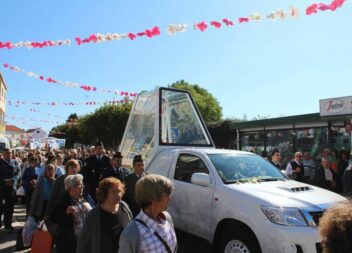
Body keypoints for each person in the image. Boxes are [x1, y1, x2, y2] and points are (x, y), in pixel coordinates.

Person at [119, 174, 177, 253]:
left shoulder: (166, 218)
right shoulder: (132, 233)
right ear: (154, 199)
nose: (170, 199)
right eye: (166, 195)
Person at [77, 177, 132, 253]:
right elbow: (83, 244)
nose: (118, 195)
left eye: (119, 191)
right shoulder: (93, 215)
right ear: (104, 194)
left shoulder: (124, 207)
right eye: (113, 192)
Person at [50, 174, 92, 253]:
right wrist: (65, 212)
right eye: (80, 184)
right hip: (70, 242)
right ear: (72, 187)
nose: (83, 186)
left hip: (86, 239)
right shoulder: (63, 201)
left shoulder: (86, 197)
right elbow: (54, 218)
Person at [0, 148, 20, 231]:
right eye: (7, 153)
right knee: (0, 207)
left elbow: (19, 173)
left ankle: (8, 224)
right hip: (1, 187)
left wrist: (13, 180)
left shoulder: (15, 162)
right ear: (3, 154)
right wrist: (5, 181)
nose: (9, 154)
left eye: (10, 153)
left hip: (11, 188)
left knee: (10, 207)